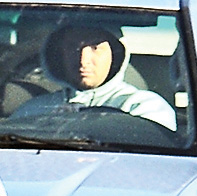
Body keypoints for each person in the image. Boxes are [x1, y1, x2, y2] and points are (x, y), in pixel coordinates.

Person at [12, 25, 177, 131]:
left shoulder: (144, 107)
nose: (83, 60)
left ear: (116, 53)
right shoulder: (34, 110)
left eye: (95, 47)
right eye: (72, 48)